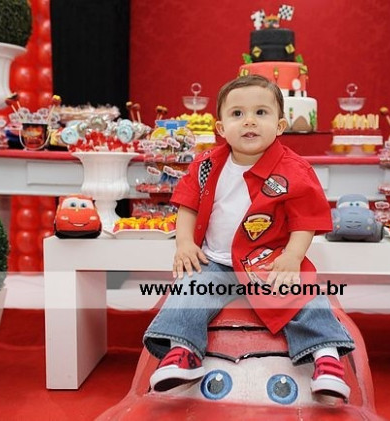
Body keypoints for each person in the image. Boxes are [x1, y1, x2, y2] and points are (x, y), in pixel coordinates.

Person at [143, 74, 355, 399]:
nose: (249, 121)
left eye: (261, 112)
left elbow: (305, 220)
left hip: (268, 260)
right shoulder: (205, 165)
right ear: (220, 127)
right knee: (188, 290)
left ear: (280, 126)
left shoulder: (294, 170)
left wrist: (292, 257)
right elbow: (187, 205)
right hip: (215, 262)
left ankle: (326, 357)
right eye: (237, 114)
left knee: (304, 293)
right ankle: (182, 351)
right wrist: (184, 242)